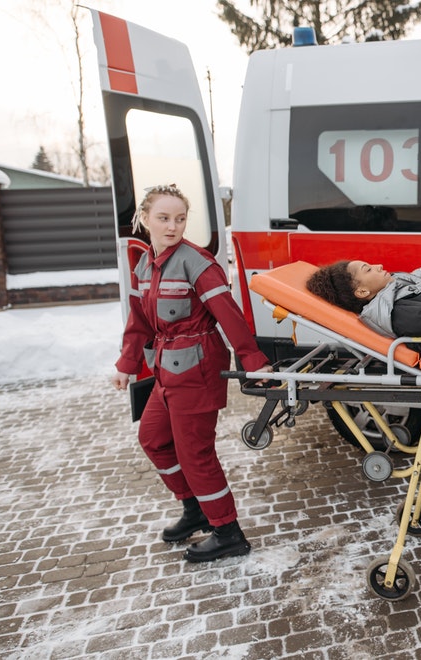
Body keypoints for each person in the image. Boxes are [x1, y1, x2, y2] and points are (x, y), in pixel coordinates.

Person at [111, 184, 271, 563]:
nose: (172, 226)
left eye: (180, 218)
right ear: (145, 219)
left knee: (195, 453)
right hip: (167, 370)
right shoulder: (145, 263)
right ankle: (195, 508)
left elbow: (228, 315)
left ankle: (227, 531)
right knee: (153, 439)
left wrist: (253, 361)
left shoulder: (197, 262)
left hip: (197, 367)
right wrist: (126, 364)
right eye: (164, 218)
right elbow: (140, 322)